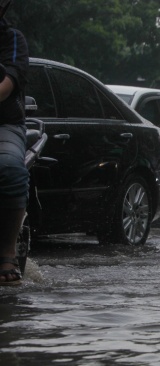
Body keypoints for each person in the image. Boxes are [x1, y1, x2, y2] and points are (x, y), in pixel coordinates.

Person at [0, 0, 29, 286]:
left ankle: (6, 251)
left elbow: (10, 82)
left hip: (5, 123)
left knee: (10, 168)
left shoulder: (12, 39)